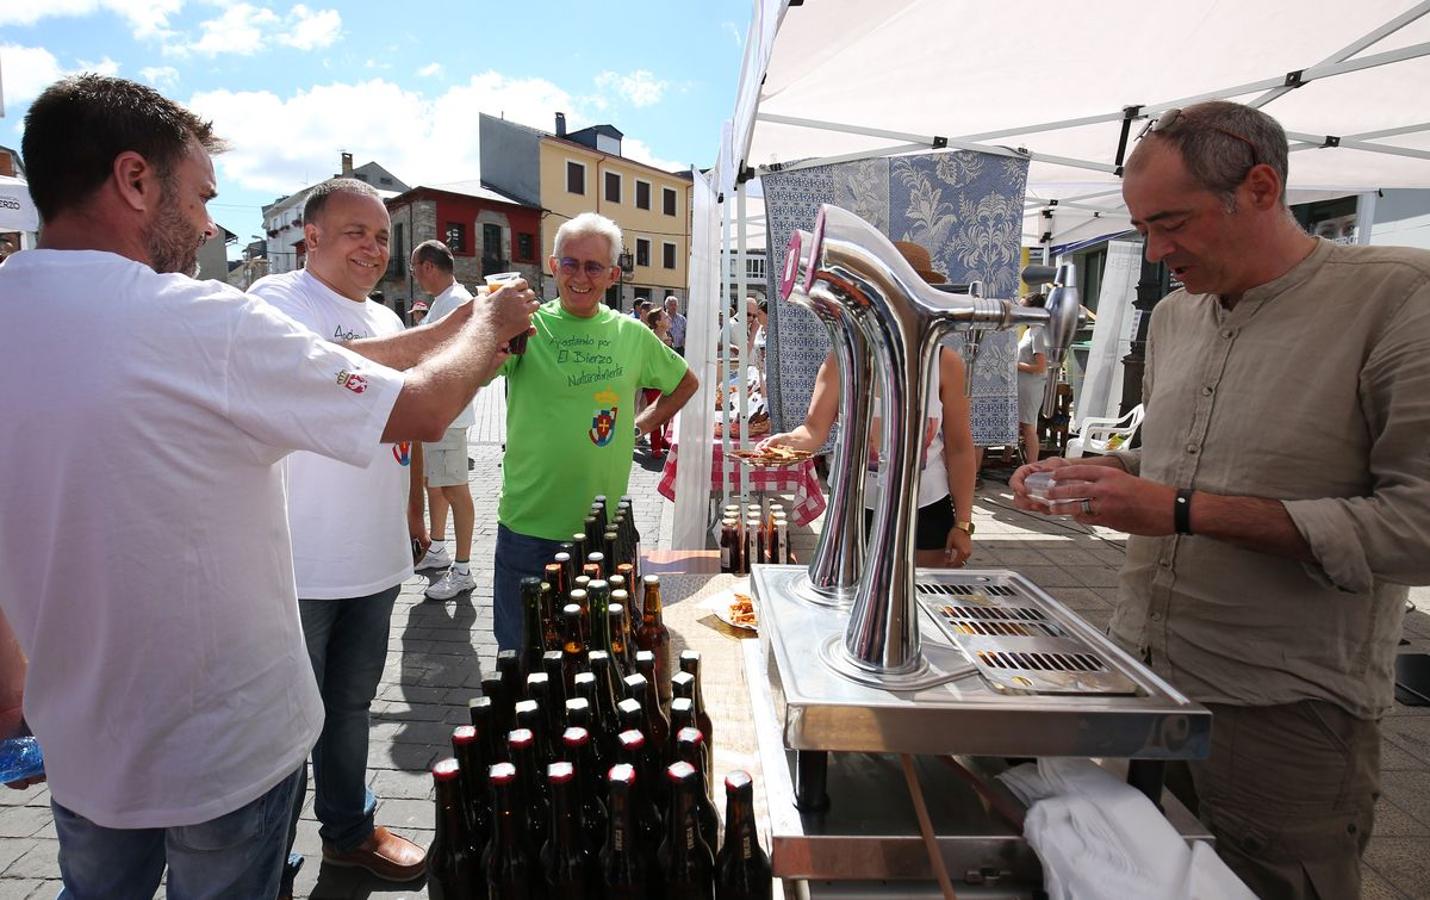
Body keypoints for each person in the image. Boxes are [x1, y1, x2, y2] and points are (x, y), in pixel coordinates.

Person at [0, 75, 536, 899]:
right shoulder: (203, 317)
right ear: (135, 180)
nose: (211, 223)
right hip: (224, 741)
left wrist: (12, 689)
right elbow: (424, 407)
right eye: (200, 195)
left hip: (84, 741)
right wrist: (493, 327)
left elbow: (348, 367)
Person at [1011, 100, 1430, 899]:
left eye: (1172, 223)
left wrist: (1175, 509)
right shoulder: (1176, 316)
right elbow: (1179, 456)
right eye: (1142, 228)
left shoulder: (1399, 298)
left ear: (1262, 187)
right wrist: (1099, 472)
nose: (1158, 251)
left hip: (1287, 708)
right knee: (1140, 868)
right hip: (1145, 672)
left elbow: (1420, 525)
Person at [247, 178, 435, 893]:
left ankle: (349, 833)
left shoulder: (389, 320)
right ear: (312, 236)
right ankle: (261, 860)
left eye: (382, 235)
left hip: (373, 558)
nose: (372, 246)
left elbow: (410, 427)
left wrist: (414, 515)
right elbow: (333, 381)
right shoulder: (275, 302)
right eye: (355, 230)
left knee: (349, 709)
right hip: (298, 563)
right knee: (282, 728)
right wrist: (460, 331)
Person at [491, 212, 699, 650]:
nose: (580, 276)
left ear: (613, 275)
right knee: (522, 653)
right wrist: (488, 325)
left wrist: (640, 427)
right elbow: (470, 376)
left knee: (600, 655)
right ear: (552, 266)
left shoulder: (631, 334)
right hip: (528, 528)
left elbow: (685, 382)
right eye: (570, 263)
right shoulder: (527, 328)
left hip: (602, 532)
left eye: (593, 266)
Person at [760, 241, 976, 567]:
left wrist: (963, 523)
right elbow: (814, 430)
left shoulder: (946, 364)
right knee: (851, 600)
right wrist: (787, 443)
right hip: (855, 504)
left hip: (927, 507)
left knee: (923, 602)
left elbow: (960, 449)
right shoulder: (842, 359)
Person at [407, 239, 479, 600]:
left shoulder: (456, 302)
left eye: (414, 268)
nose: (415, 275)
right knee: (435, 484)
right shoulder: (445, 301)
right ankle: (438, 548)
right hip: (438, 412)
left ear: (427, 267)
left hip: (448, 413)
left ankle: (463, 569)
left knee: (454, 488)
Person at [1015, 293, 1049, 464]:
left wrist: (1015, 365)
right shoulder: (1029, 331)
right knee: (1021, 424)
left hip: (1031, 386)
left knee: (1028, 427)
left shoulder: (1038, 332)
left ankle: (1032, 465)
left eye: (1024, 307)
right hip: (1022, 384)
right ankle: (1010, 458)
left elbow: (1040, 366)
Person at [644, 307, 675, 457]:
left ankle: (664, 440)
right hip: (653, 382)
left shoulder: (666, 337)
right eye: (665, 317)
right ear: (657, 322)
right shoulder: (650, 338)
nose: (669, 319)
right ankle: (655, 447)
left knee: (668, 414)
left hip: (666, 382)